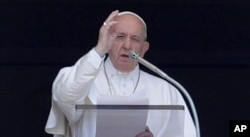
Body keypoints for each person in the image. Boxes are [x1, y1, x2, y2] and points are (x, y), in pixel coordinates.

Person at [45, 10, 197, 137]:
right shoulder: (81, 78)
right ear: (107, 41)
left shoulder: (167, 91)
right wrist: (99, 50)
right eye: (120, 37)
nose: (127, 45)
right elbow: (64, 96)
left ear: (143, 49)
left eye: (135, 39)